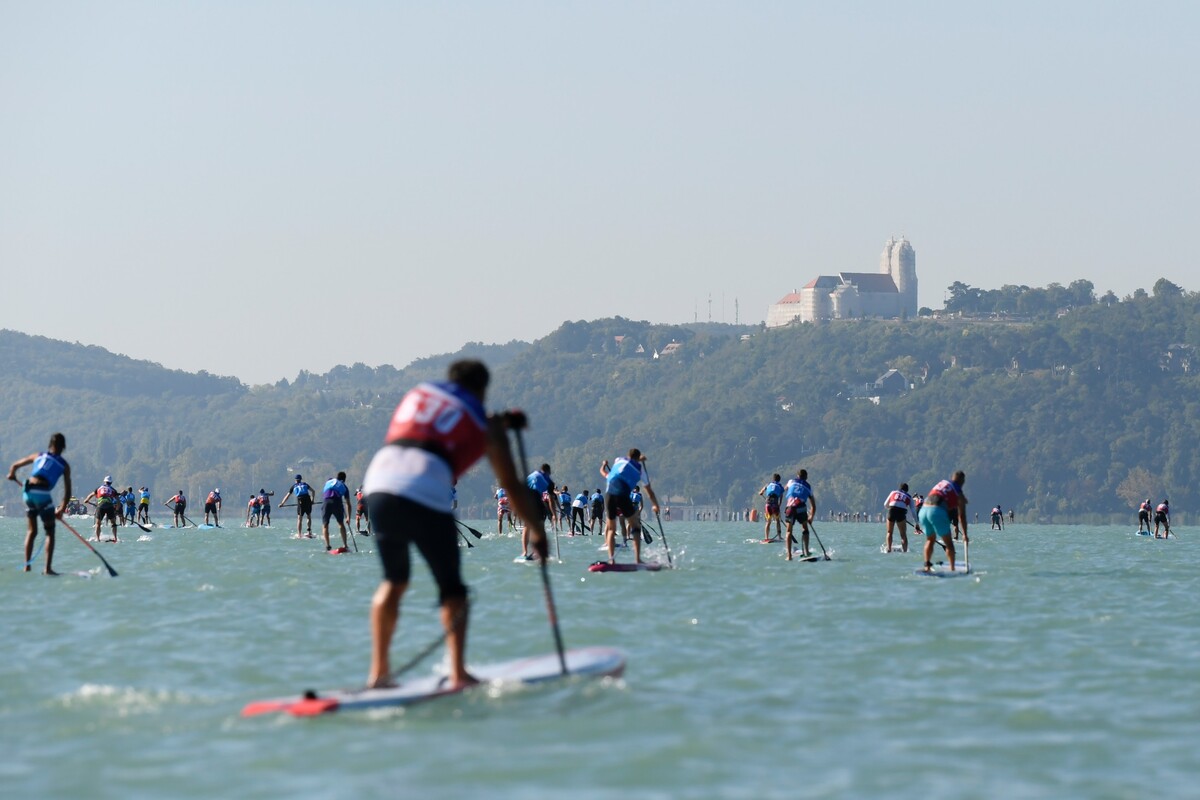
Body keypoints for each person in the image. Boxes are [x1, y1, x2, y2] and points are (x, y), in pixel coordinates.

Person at [362, 359, 548, 689]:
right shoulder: (483, 420)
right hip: (425, 486)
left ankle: (378, 674)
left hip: (378, 481)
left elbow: (444, 422)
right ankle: (459, 674)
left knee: (394, 581)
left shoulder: (420, 392)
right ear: (482, 389)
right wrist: (536, 530)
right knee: (453, 590)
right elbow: (512, 485)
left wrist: (502, 422)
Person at [7, 432, 72, 575]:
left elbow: (15, 465)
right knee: (50, 532)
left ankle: (27, 567)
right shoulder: (64, 465)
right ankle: (47, 569)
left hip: (28, 492)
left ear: (50, 445)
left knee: (32, 531)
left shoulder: (39, 455)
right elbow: (67, 492)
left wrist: (12, 474)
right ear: (63, 447)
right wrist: (61, 509)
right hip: (42, 493)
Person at [600, 449, 661, 565]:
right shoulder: (640, 470)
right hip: (622, 495)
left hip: (609, 495)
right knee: (635, 526)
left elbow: (604, 473)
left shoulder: (618, 460)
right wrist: (655, 505)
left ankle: (611, 560)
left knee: (611, 528)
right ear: (638, 458)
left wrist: (603, 465)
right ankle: (637, 559)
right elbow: (649, 492)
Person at [917, 471, 968, 572]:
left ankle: (927, 566)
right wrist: (965, 535)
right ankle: (952, 569)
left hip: (923, 510)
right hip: (936, 511)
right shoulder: (958, 490)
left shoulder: (942, 483)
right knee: (949, 543)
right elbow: (961, 515)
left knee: (930, 540)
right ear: (962, 481)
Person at [522, 463, 557, 560]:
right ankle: (539, 552)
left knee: (527, 526)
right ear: (548, 472)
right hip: (536, 499)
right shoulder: (548, 480)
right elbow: (550, 498)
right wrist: (554, 514)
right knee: (540, 527)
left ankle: (525, 552)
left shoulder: (530, 476)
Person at [783, 469, 816, 561]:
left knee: (789, 531)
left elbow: (783, 490)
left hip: (790, 508)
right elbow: (813, 506)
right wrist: (811, 518)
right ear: (806, 477)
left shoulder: (791, 481)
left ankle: (789, 556)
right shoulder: (809, 486)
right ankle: (807, 551)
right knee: (805, 528)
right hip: (801, 508)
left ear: (797, 476)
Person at [321, 471, 353, 551]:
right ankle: (345, 545)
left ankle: (328, 545)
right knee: (341, 524)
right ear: (344, 479)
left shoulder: (329, 481)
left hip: (326, 502)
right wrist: (348, 517)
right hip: (336, 502)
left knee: (325, 525)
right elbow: (348, 504)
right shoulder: (344, 487)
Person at [83, 476, 120, 542]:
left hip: (100, 506)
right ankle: (115, 538)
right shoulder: (113, 489)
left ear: (104, 481)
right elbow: (118, 500)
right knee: (113, 523)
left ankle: (98, 539)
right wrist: (117, 509)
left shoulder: (99, 488)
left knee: (98, 523)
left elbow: (91, 494)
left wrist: (86, 500)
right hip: (109, 506)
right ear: (111, 482)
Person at [883, 482, 916, 553]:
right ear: (907, 490)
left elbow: (885, 504)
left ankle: (888, 549)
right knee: (903, 534)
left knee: (889, 532)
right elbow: (913, 510)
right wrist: (916, 523)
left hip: (892, 510)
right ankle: (905, 551)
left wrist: (892, 508)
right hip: (901, 512)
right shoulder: (909, 497)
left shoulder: (893, 492)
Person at [759, 474, 784, 541]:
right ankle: (780, 537)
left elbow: (761, 492)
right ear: (779, 480)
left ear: (773, 479)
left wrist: (761, 493)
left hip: (768, 504)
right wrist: (780, 504)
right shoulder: (780, 486)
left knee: (768, 522)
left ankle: (766, 537)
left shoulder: (768, 484)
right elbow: (781, 496)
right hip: (775, 505)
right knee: (777, 521)